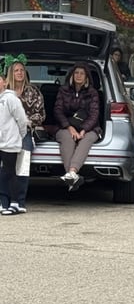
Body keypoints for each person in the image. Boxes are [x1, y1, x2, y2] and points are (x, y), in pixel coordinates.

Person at [53, 63, 101, 192]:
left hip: (90, 128)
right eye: (76, 73)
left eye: (82, 73)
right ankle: (73, 176)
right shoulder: (63, 90)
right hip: (65, 126)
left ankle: (71, 173)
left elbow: (94, 114)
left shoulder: (93, 93)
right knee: (68, 138)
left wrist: (84, 129)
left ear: (86, 77)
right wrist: (69, 127)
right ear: (72, 75)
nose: (79, 76)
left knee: (86, 140)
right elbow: (58, 111)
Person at [6, 57, 45, 213]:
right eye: (16, 70)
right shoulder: (4, 91)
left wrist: (24, 121)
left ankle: (19, 201)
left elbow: (41, 114)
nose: (20, 73)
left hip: (24, 132)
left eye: (22, 70)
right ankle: (5, 199)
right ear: (11, 73)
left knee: (22, 166)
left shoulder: (33, 91)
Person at [0, 69, 29, 216]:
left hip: (10, 143)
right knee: (3, 173)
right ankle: (3, 203)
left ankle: (15, 203)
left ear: (4, 82)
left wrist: (21, 136)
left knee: (11, 173)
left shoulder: (11, 99)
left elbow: (22, 120)